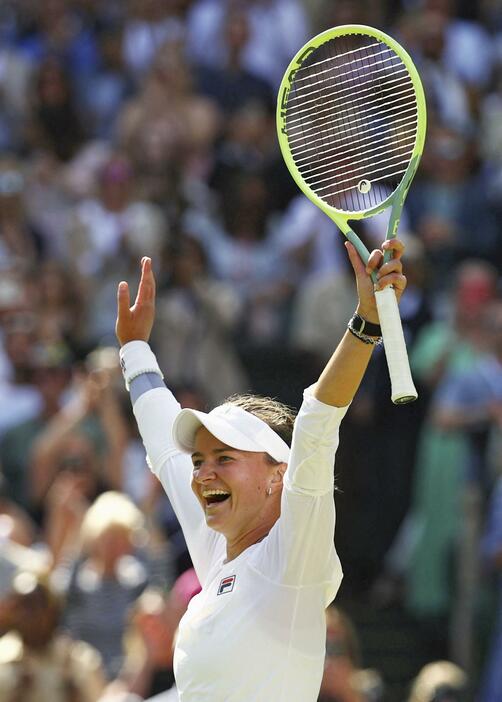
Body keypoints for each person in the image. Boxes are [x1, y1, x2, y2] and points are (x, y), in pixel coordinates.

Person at [115, 237, 407, 701]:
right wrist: (134, 350)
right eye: (200, 461)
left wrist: (366, 324)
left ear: (278, 475)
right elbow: (163, 445)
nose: (202, 474)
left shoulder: (292, 558)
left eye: (224, 458)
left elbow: (315, 424)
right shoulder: (216, 555)